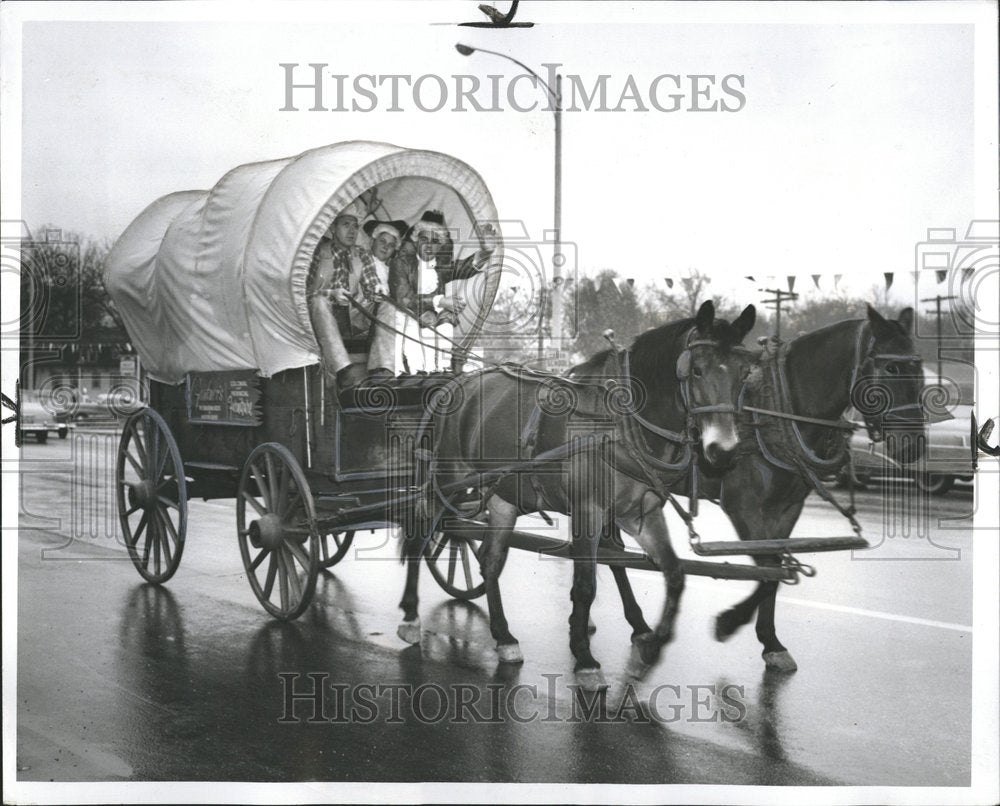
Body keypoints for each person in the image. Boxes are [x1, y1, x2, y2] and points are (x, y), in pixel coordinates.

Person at [307, 208, 400, 388]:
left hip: (353, 317)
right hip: (324, 317)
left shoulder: (361, 254)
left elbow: (370, 285)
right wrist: (331, 294)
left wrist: (377, 290)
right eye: (346, 225)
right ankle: (342, 369)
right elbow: (303, 295)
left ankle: (382, 368)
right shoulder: (317, 253)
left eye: (355, 226)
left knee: (388, 304)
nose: (352, 231)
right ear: (333, 228)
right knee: (318, 300)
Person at [389, 210, 498, 329]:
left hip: (432, 322)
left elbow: (463, 268)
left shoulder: (440, 268)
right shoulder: (401, 263)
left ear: (440, 246)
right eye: (424, 239)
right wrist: (440, 301)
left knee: (448, 319)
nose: (429, 245)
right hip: (402, 320)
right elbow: (404, 299)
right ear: (416, 242)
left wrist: (485, 253)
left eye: (435, 241)